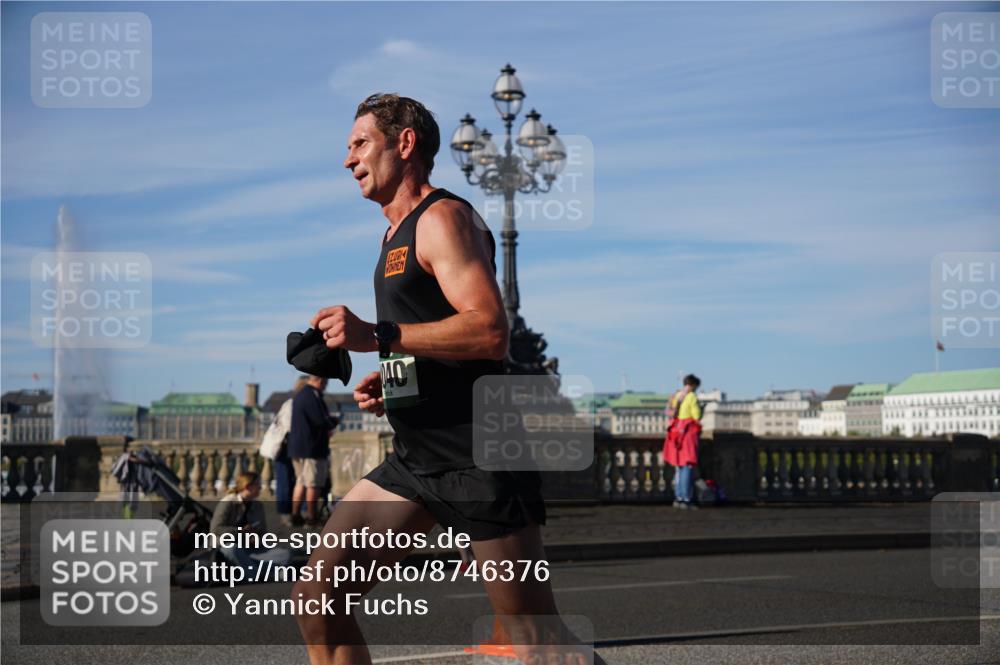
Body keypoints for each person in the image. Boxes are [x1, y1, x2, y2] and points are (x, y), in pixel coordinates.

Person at [293, 93, 605, 665]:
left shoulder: (442, 219)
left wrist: (379, 336)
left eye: (360, 143)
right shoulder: (392, 237)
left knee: (539, 645)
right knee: (318, 596)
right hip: (418, 459)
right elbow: (436, 334)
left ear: (404, 143)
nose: (348, 160)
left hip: (479, 455)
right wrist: (394, 381)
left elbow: (489, 332)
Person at [210, 472, 291, 571]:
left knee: (285, 554)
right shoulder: (228, 503)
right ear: (248, 487)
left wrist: (257, 539)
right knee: (232, 549)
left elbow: (263, 533)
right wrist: (240, 531)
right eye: (258, 485)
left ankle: (250, 569)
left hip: (250, 549)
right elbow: (215, 529)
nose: (260, 488)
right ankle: (256, 572)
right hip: (227, 546)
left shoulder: (258, 506)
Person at [289, 374, 339, 527]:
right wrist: (334, 421)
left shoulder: (300, 395)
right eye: (325, 382)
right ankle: (312, 517)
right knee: (313, 483)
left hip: (298, 447)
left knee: (301, 482)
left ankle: (295, 515)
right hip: (312, 448)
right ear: (320, 380)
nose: (325, 385)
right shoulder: (312, 396)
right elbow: (319, 420)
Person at [663, 374, 702, 509]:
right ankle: (686, 499)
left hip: (675, 434)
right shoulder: (691, 397)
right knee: (687, 467)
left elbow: (670, 412)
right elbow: (696, 416)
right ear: (694, 385)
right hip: (687, 434)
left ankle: (678, 498)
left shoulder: (675, 395)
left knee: (678, 468)